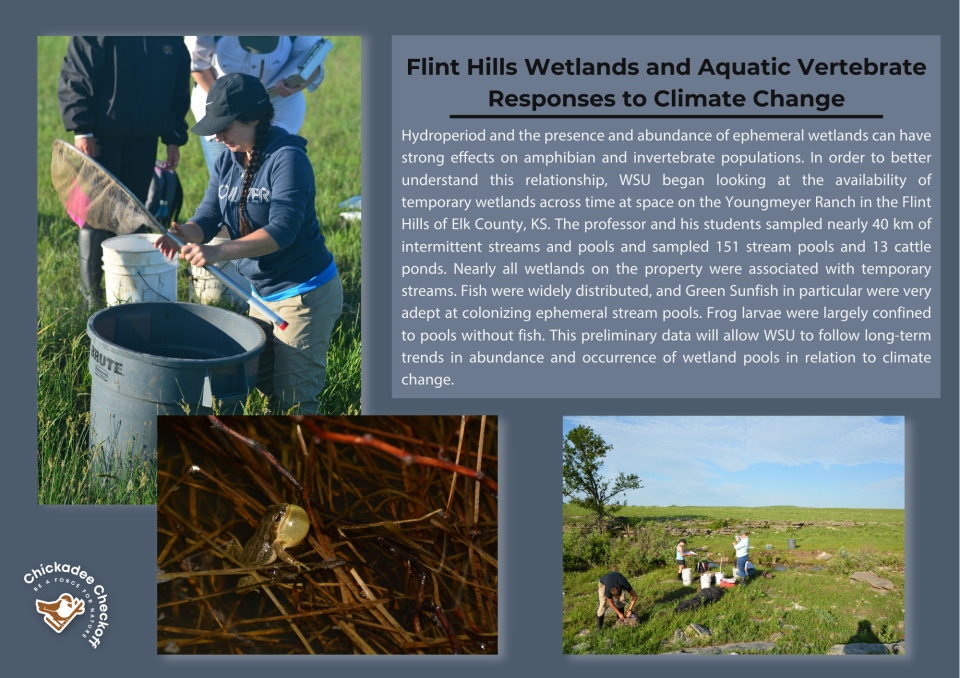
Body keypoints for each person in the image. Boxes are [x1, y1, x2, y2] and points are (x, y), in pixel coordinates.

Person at [155, 73, 342, 414]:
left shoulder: (287, 159)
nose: (217, 135)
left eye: (225, 125)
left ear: (255, 118)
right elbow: (209, 215)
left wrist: (215, 251)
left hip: (304, 296)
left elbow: (282, 232)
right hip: (262, 293)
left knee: (293, 404)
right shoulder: (229, 158)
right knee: (261, 386)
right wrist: (184, 233)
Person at [58, 36, 191, 308]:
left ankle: (125, 294)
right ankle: (91, 301)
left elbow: (179, 84)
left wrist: (174, 135)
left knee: (132, 215)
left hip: (145, 137)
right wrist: (82, 127)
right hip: (101, 137)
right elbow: (78, 70)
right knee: (97, 215)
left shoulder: (171, 34)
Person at [184, 36, 327, 175]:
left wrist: (299, 83)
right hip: (222, 112)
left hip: (279, 108)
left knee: (273, 180)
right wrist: (226, 107)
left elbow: (314, 59)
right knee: (225, 184)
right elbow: (198, 63)